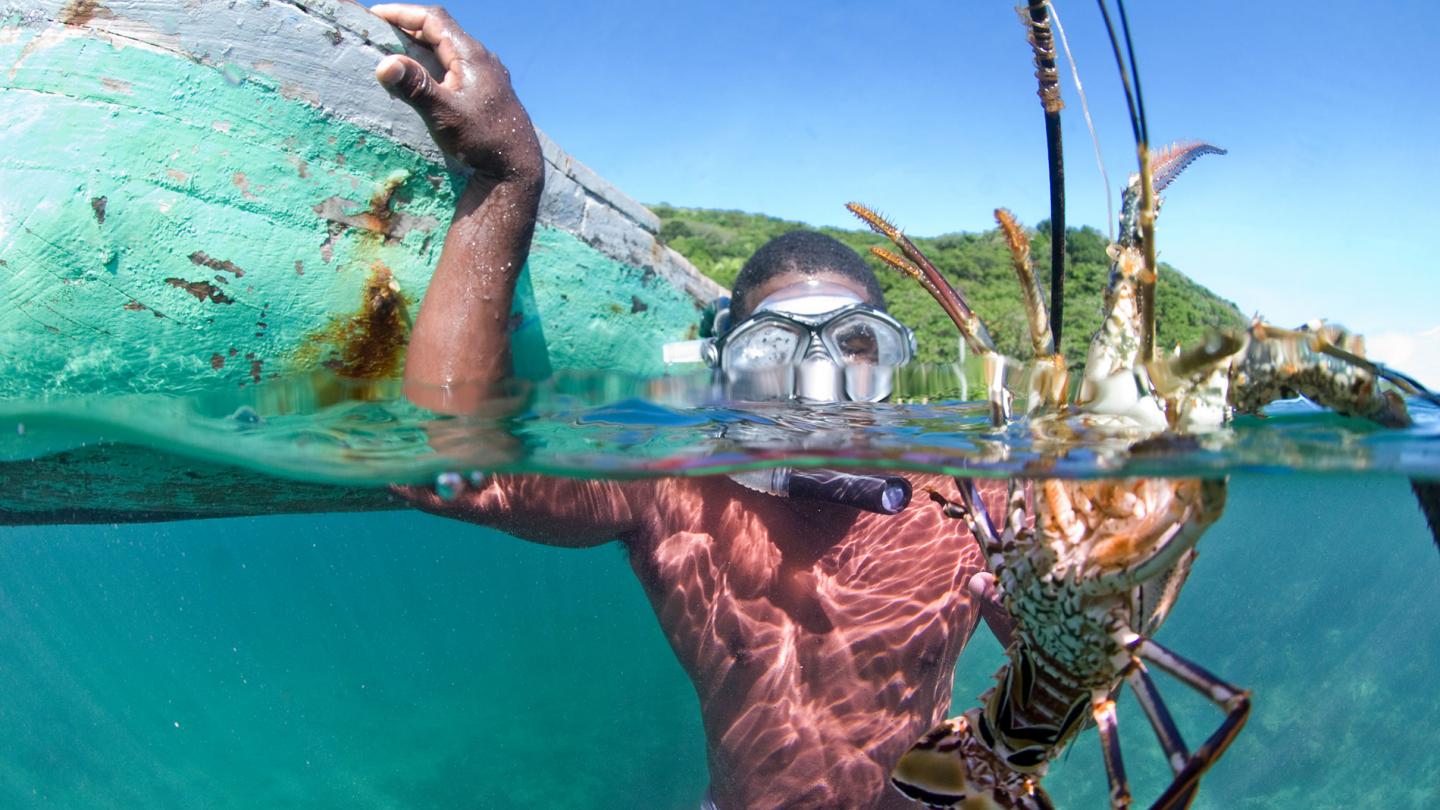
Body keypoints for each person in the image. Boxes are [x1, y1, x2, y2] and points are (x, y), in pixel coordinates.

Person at [370, 6, 1011, 808]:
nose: (818, 391)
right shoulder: (676, 484)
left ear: (893, 359)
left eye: (854, 347)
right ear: (724, 371)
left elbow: (1066, 661)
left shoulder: (971, 497)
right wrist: (508, 181)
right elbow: (447, 461)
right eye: (773, 352)